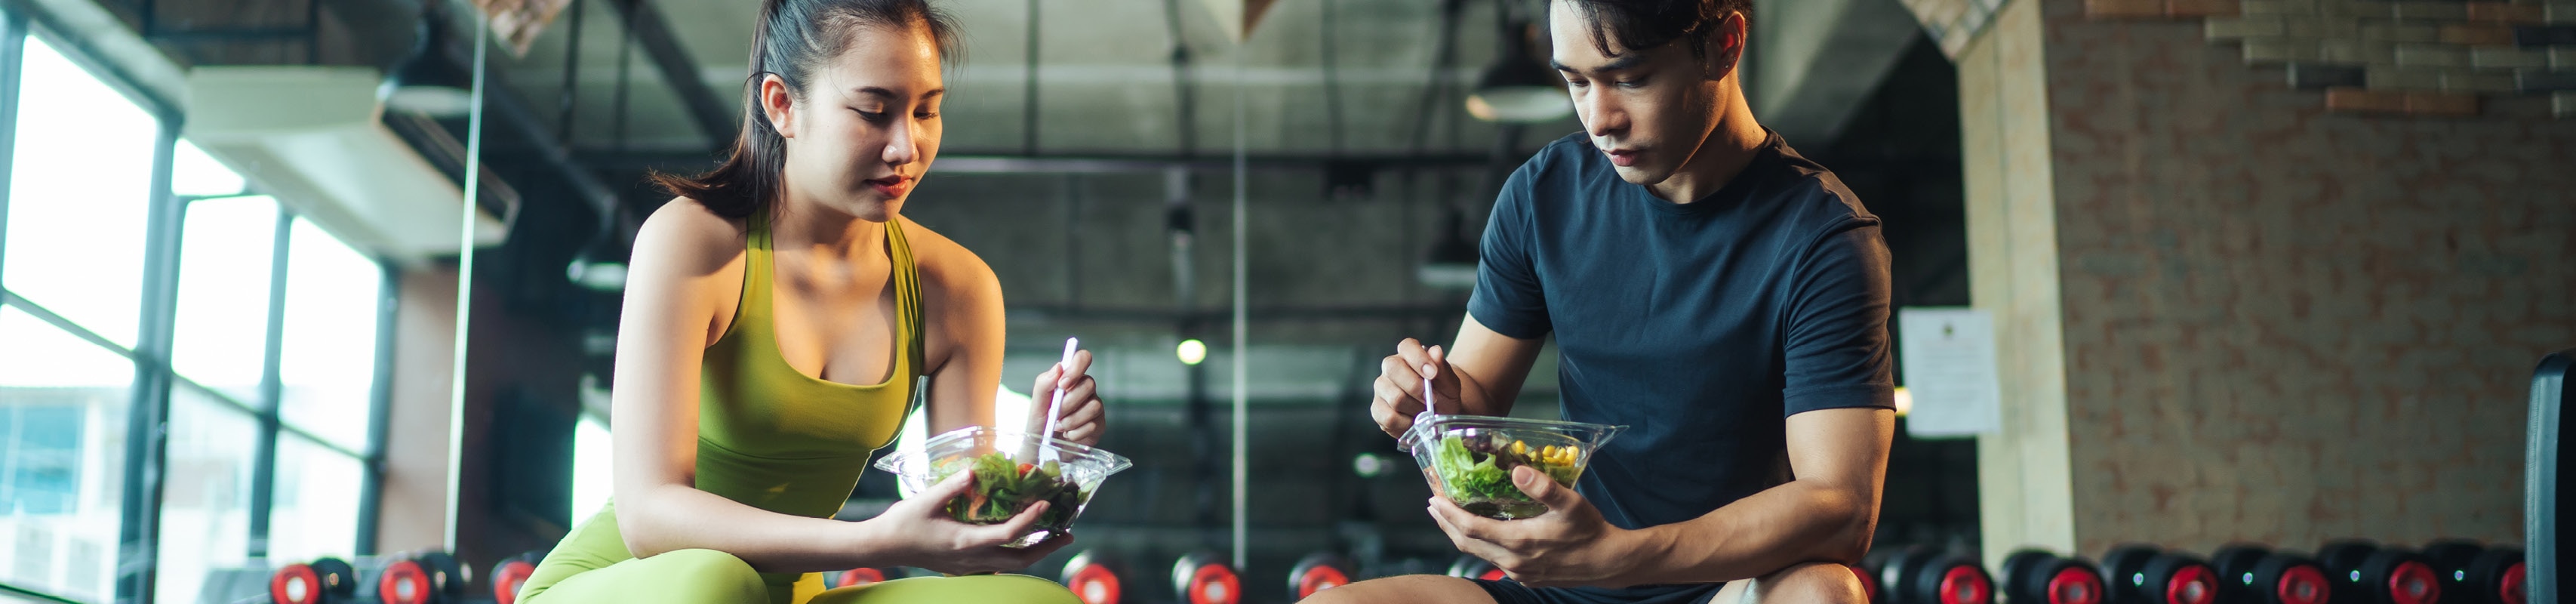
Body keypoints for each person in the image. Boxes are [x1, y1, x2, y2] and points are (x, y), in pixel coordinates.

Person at [1312, 1, 1895, 603]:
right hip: (1567, 584)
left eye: (1629, 79)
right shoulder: (1544, 193)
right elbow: (1474, 398)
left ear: (1724, 44)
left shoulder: (1824, 239)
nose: (1600, 118)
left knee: (1822, 593)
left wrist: (1619, 556)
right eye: (1575, 82)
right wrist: (1430, 401)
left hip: (1725, 585)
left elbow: (1842, 507)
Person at [516, 0, 1100, 602]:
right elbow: (648, 518)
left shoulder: (955, 287)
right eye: (874, 111)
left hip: (785, 593)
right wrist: (874, 539)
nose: (907, 146)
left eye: (927, 111)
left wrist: (1039, 455)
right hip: (644, 583)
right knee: (715, 579)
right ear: (781, 105)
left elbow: (961, 538)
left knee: (1036, 600)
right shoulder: (692, 241)